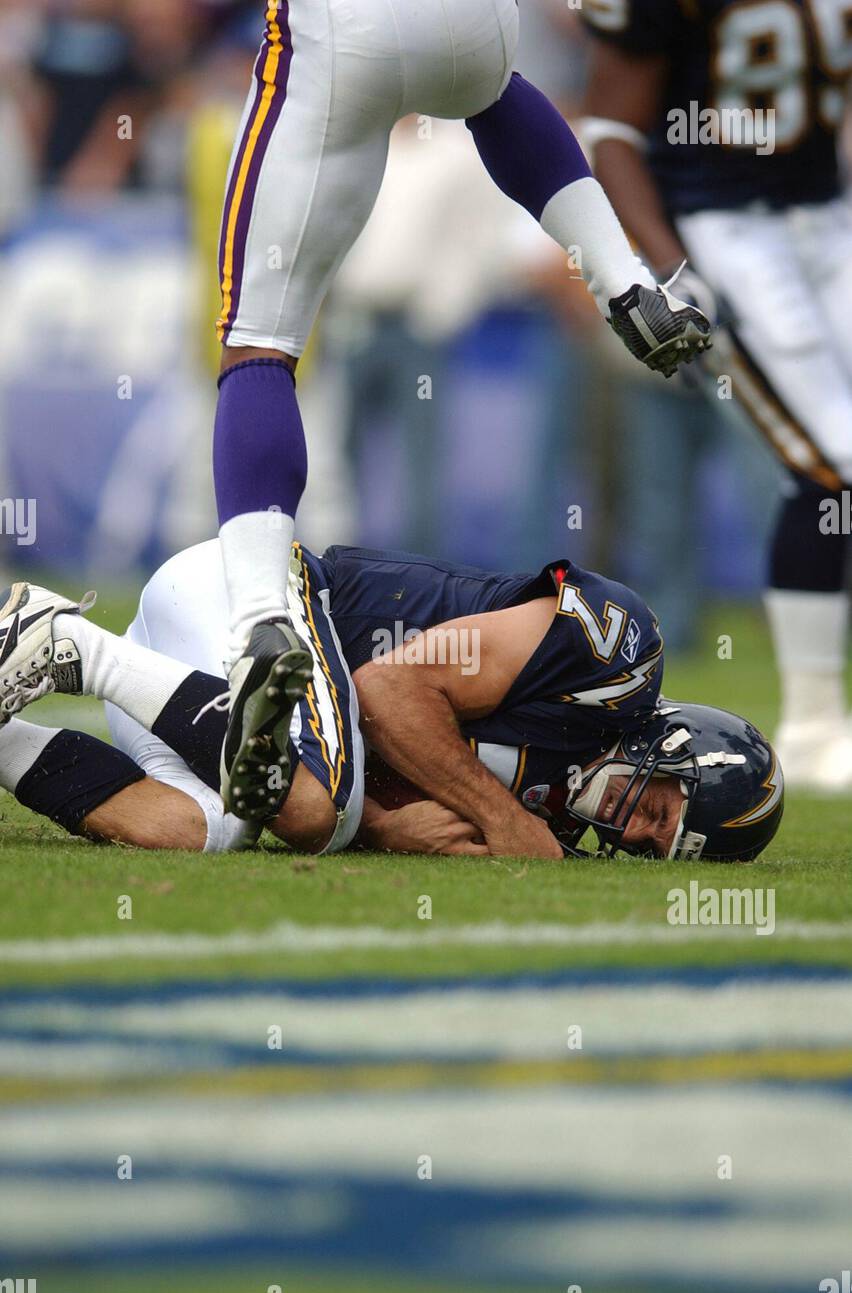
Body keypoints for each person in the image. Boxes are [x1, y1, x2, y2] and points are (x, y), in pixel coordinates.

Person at [210, 0, 712, 821]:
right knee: (493, 87)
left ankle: (263, 626)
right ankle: (623, 276)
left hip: (342, 32)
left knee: (259, 345)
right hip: (474, 28)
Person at [0, 539, 782, 860]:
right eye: (660, 810)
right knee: (315, 810)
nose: (633, 830)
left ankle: (10, 745)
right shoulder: (615, 656)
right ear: (671, 745)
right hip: (255, 599)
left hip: (199, 681)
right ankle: (71, 646)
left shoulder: (561, 809)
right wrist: (489, 818)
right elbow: (387, 689)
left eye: (653, 846)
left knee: (216, 827)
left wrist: (393, 823)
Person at [580, 0, 852, 790]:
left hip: (828, 223)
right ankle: (812, 725)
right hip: (722, 228)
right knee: (828, 463)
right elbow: (609, 134)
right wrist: (667, 265)